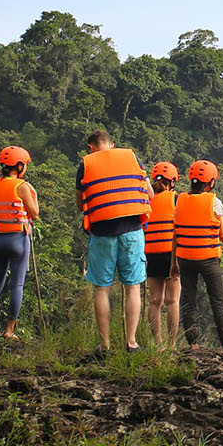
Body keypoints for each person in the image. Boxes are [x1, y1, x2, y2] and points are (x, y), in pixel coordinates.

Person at [75, 130, 152, 354]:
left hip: (102, 234)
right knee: (133, 287)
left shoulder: (86, 164)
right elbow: (149, 194)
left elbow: (81, 204)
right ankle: (131, 342)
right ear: (112, 144)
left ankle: (105, 345)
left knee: (101, 289)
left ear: (90, 147)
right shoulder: (131, 156)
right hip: (132, 232)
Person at [174, 159, 223, 352]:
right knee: (218, 300)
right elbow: (222, 233)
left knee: (188, 300)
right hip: (208, 259)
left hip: (185, 258)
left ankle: (192, 343)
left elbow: (176, 232)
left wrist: (173, 262)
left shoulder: (180, 200)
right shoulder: (214, 202)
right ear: (211, 182)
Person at [0, 146, 39, 339]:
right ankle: (9, 330)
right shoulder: (21, 186)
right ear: (19, 166)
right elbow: (35, 214)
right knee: (17, 285)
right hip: (18, 239)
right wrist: (34, 195)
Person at [143, 162, 182, 347]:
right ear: (172, 181)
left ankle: (157, 344)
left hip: (150, 253)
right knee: (172, 301)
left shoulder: (145, 199)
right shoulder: (176, 198)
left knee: (154, 301)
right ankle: (172, 345)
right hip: (171, 254)